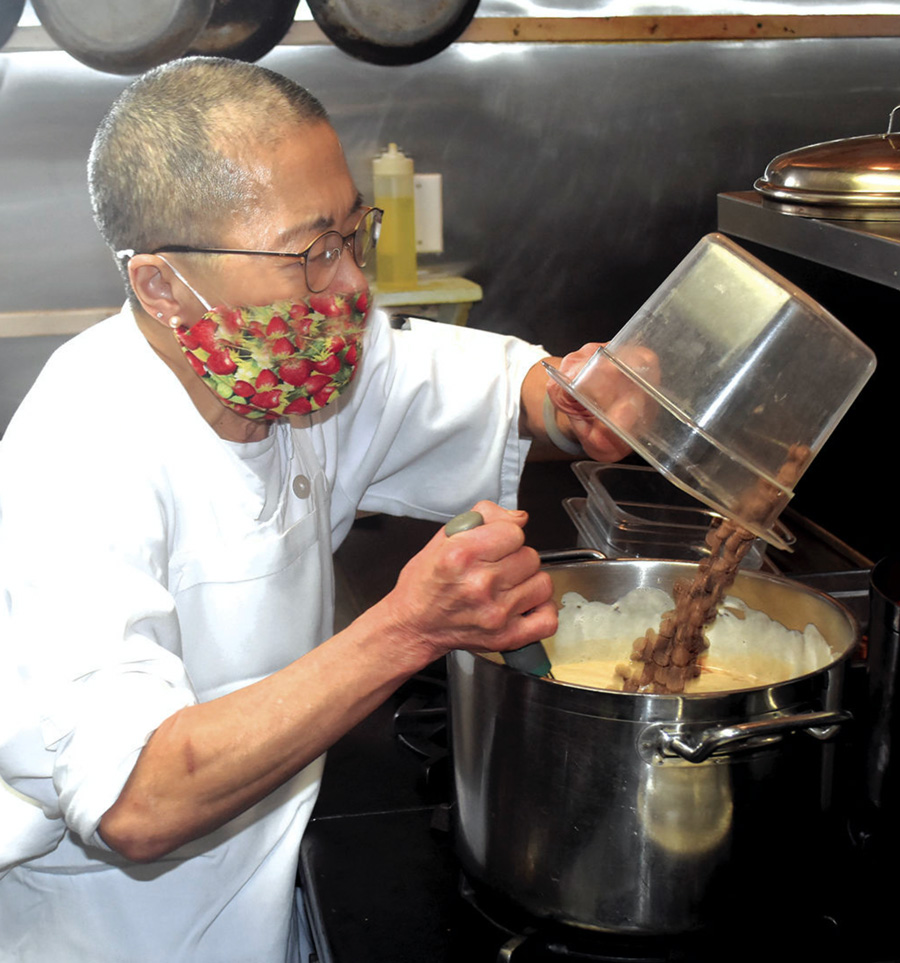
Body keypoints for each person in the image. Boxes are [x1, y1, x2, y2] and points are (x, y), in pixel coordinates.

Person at [0, 57, 640, 963]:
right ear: (162, 287)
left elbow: (488, 390)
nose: (350, 286)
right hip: (125, 931)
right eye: (310, 253)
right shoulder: (81, 451)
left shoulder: (296, 357)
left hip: (277, 868)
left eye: (353, 233)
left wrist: (575, 396)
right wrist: (409, 627)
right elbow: (134, 802)